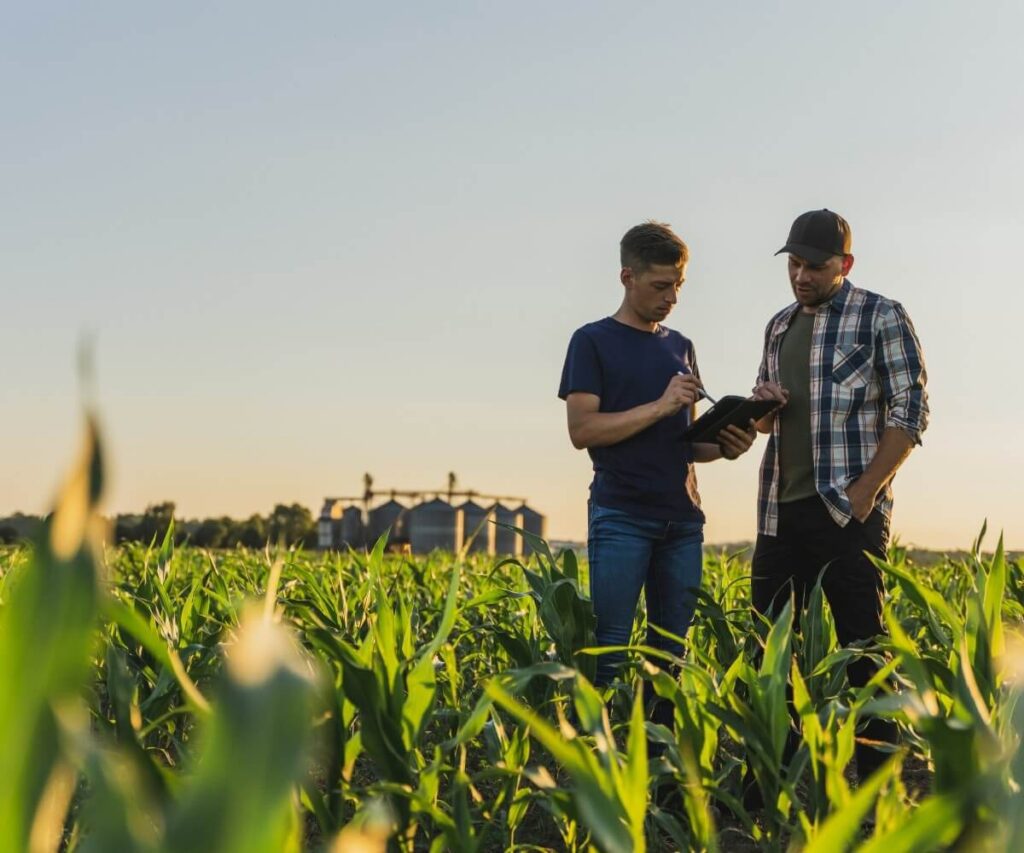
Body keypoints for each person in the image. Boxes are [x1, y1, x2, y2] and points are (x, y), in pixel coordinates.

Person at [750, 208, 929, 780]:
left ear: (844, 265)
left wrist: (865, 492)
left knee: (864, 650)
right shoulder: (778, 326)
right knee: (769, 652)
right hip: (780, 510)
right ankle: (773, 779)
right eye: (794, 265)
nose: (801, 276)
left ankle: (878, 784)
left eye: (815, 266)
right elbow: (762, 426)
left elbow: (912, 409)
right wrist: (761, 405)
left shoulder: (882, 315)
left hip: (848, 511)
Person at [558, 221, 757, 698]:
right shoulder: (591, 341)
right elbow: (582, 431)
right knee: (609, 649)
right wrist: (661, 405)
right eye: (660, 286)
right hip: (621, 515)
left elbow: (685, 442)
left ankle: (661, 763)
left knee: (671, 653)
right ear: (627, 277)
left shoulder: (680, 346)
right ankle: (600, 759)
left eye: (679, 286)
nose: (671, 298)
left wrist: (728, 446)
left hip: (682, 521)